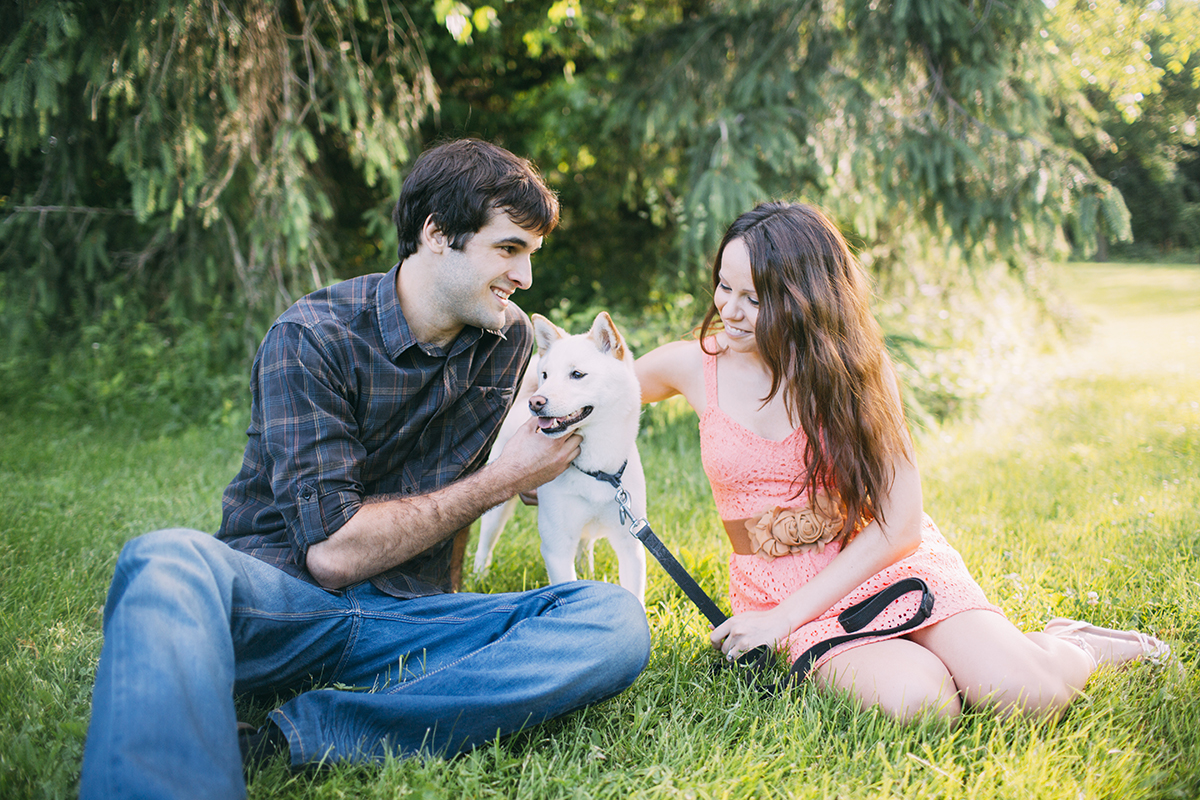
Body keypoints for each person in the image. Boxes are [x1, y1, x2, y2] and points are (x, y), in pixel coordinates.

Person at [79, 138, 650, 799]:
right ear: (437, 234)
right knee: (163, 558)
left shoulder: (508, 339)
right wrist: (506, 478)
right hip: (282, 603)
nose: (524, 277)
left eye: (530, 254)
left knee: (611, 619)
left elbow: (503, 469)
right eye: (508, 249)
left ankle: (307, 733)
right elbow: (333, 556)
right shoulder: (313, 336)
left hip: (412, 618)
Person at [634, 201, 1169, 721]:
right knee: (923, 704)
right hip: (777, 586)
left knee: (1025, 693)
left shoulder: (859, 371)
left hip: (883, 561)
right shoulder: (692, 364)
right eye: (725, 286)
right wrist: (551, 455)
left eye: (754, 297)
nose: (728, 308)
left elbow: (900, 525)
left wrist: (781, 623)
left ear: (806, 299)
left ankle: (1067, 645)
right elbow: (588, 395)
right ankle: (958, 657)